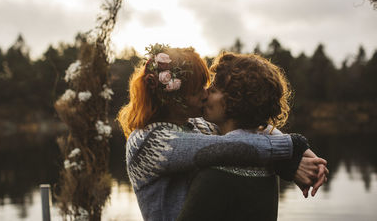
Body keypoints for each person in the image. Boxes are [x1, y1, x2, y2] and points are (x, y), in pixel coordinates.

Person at [117, 44, 327, 221]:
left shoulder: (197, 124)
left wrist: (298, 155)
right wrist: (292, 148)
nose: (205, 93)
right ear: (173, 98)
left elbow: (255, 129)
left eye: (207, 86)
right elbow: (228, 148)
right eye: (198, 88)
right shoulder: (147, 141)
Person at [177, 52, 327, 221]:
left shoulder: (214, 176)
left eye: (215, 89)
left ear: (235, 101)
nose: (205, 93)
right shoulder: (270, 166)